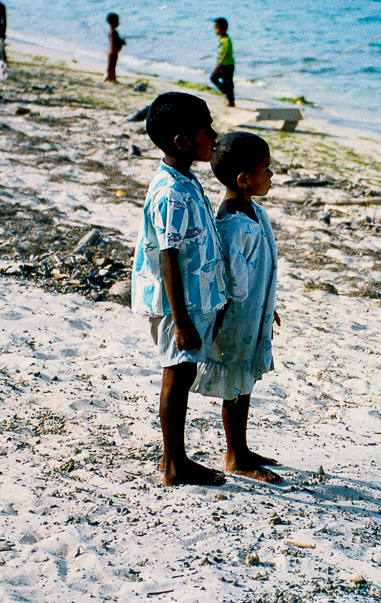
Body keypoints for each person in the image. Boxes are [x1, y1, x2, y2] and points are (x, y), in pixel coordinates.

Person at [131, 92, 227, 487]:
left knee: (182, 374)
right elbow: (168, 258)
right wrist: (183, 320)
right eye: (207, 130)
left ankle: (173, 458)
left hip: (188, 300)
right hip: (177, 306)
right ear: (183, 142)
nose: (215, 136)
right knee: (177, 375)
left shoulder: (184, 179)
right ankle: (175, 465)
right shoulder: (171, 192)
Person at [193, 131, 282, 483]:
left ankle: (241, 448)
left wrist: (267, 305)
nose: (272, 175)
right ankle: (234, 454)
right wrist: (251, 304)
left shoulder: (254, 211)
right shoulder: (233, 224)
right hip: (235, 318)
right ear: (245, 179)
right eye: (266, 168)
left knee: (244, 381)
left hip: (253, 312)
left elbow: (257, 268)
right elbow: (233, 279)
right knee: (235, 381)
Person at [210, 17, 235, 107]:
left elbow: (226, 54)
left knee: (227, 83)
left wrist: (218, 66)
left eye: (216, 28)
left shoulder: (227, 40)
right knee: (214, 78)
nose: (215, 30)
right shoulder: (221, 39)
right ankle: (226, 93)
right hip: (222, 65)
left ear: (222, 29)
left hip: (227, 66)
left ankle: (231, 101)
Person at [104, 12, 126, 82]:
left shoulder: (111, 31)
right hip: (113, 52)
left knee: (111, 66)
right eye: (117, 21)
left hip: (111, 51)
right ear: (113, 22)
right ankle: (111, 79)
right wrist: (121, 43)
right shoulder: (114, 32)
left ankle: (110, 78)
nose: (118, 23)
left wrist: (121, 42)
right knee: (112, 66)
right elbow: (114, 43)